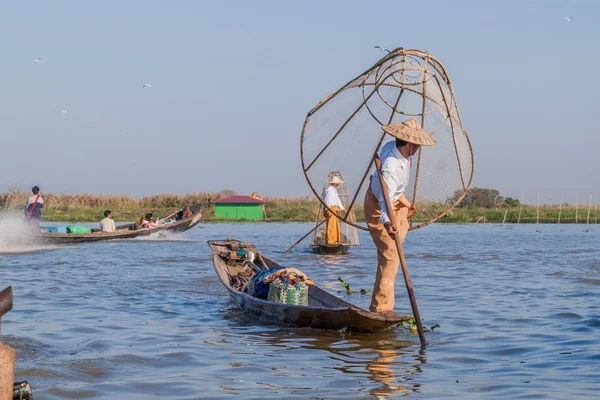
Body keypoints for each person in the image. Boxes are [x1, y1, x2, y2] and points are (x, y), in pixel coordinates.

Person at [364, 119, 436, 314]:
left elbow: (393, 193)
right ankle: (380, 309)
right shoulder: (390, 167)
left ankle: (383, 304)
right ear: (411, 145)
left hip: (395, 198)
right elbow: (383, 201)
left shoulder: (394, 148)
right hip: (379, 204)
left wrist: (403, 204)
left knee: (395, 245)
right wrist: (387, 223)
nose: (419, 148)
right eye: (418, 145)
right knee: (390, 255)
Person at [321, 175, 345, 244]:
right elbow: (327, 200)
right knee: (331, 226)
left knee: (334, 226)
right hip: (330, 209)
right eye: (338, 183)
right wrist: (328, 210)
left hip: (333, 209)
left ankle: (333, 240)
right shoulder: (330, 190)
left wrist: (343, 208)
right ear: (335, 183)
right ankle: (330, 241)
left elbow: (337, 200)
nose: (338, 184)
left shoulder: (334, 190)